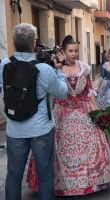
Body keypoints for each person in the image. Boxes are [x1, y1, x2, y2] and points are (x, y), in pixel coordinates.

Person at [27, 35, 110, 196]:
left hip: (85, 110)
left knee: (93, 144)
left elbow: (90, 92)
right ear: (63, 51)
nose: (74, 54)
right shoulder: (55, 69)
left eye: (76, 50)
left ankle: (92, 180)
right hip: (62, 112)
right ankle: (61, 184)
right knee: (58, 148)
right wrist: (57, 69)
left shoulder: (85, 68)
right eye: (70, 51)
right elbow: (51, 93)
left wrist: (98, 113)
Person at [2, 23, 68, 200]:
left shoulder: (4, 65)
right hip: (41, 130)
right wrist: (60, 71)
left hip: (14, 130)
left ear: (14, 43)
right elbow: (62, 93)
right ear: (33, 44)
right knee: (45, 175)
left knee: (14, 175)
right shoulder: (44, 69)